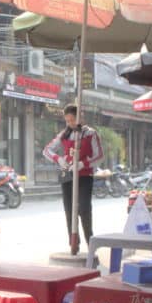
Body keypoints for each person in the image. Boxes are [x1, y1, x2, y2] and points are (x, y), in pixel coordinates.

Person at [43, 104, 103, 246]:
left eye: (72, 120)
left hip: (85, 176)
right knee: (69, 210)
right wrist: (59, 159)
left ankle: (91, 242)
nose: (70, 123)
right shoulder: (64, 134)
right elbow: (47, 150)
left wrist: (84, 164)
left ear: (79, 117)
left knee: (84, 208)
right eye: (67, 120)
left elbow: (99, 156)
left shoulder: (91, 133)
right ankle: (73, 243)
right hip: (68, 176)